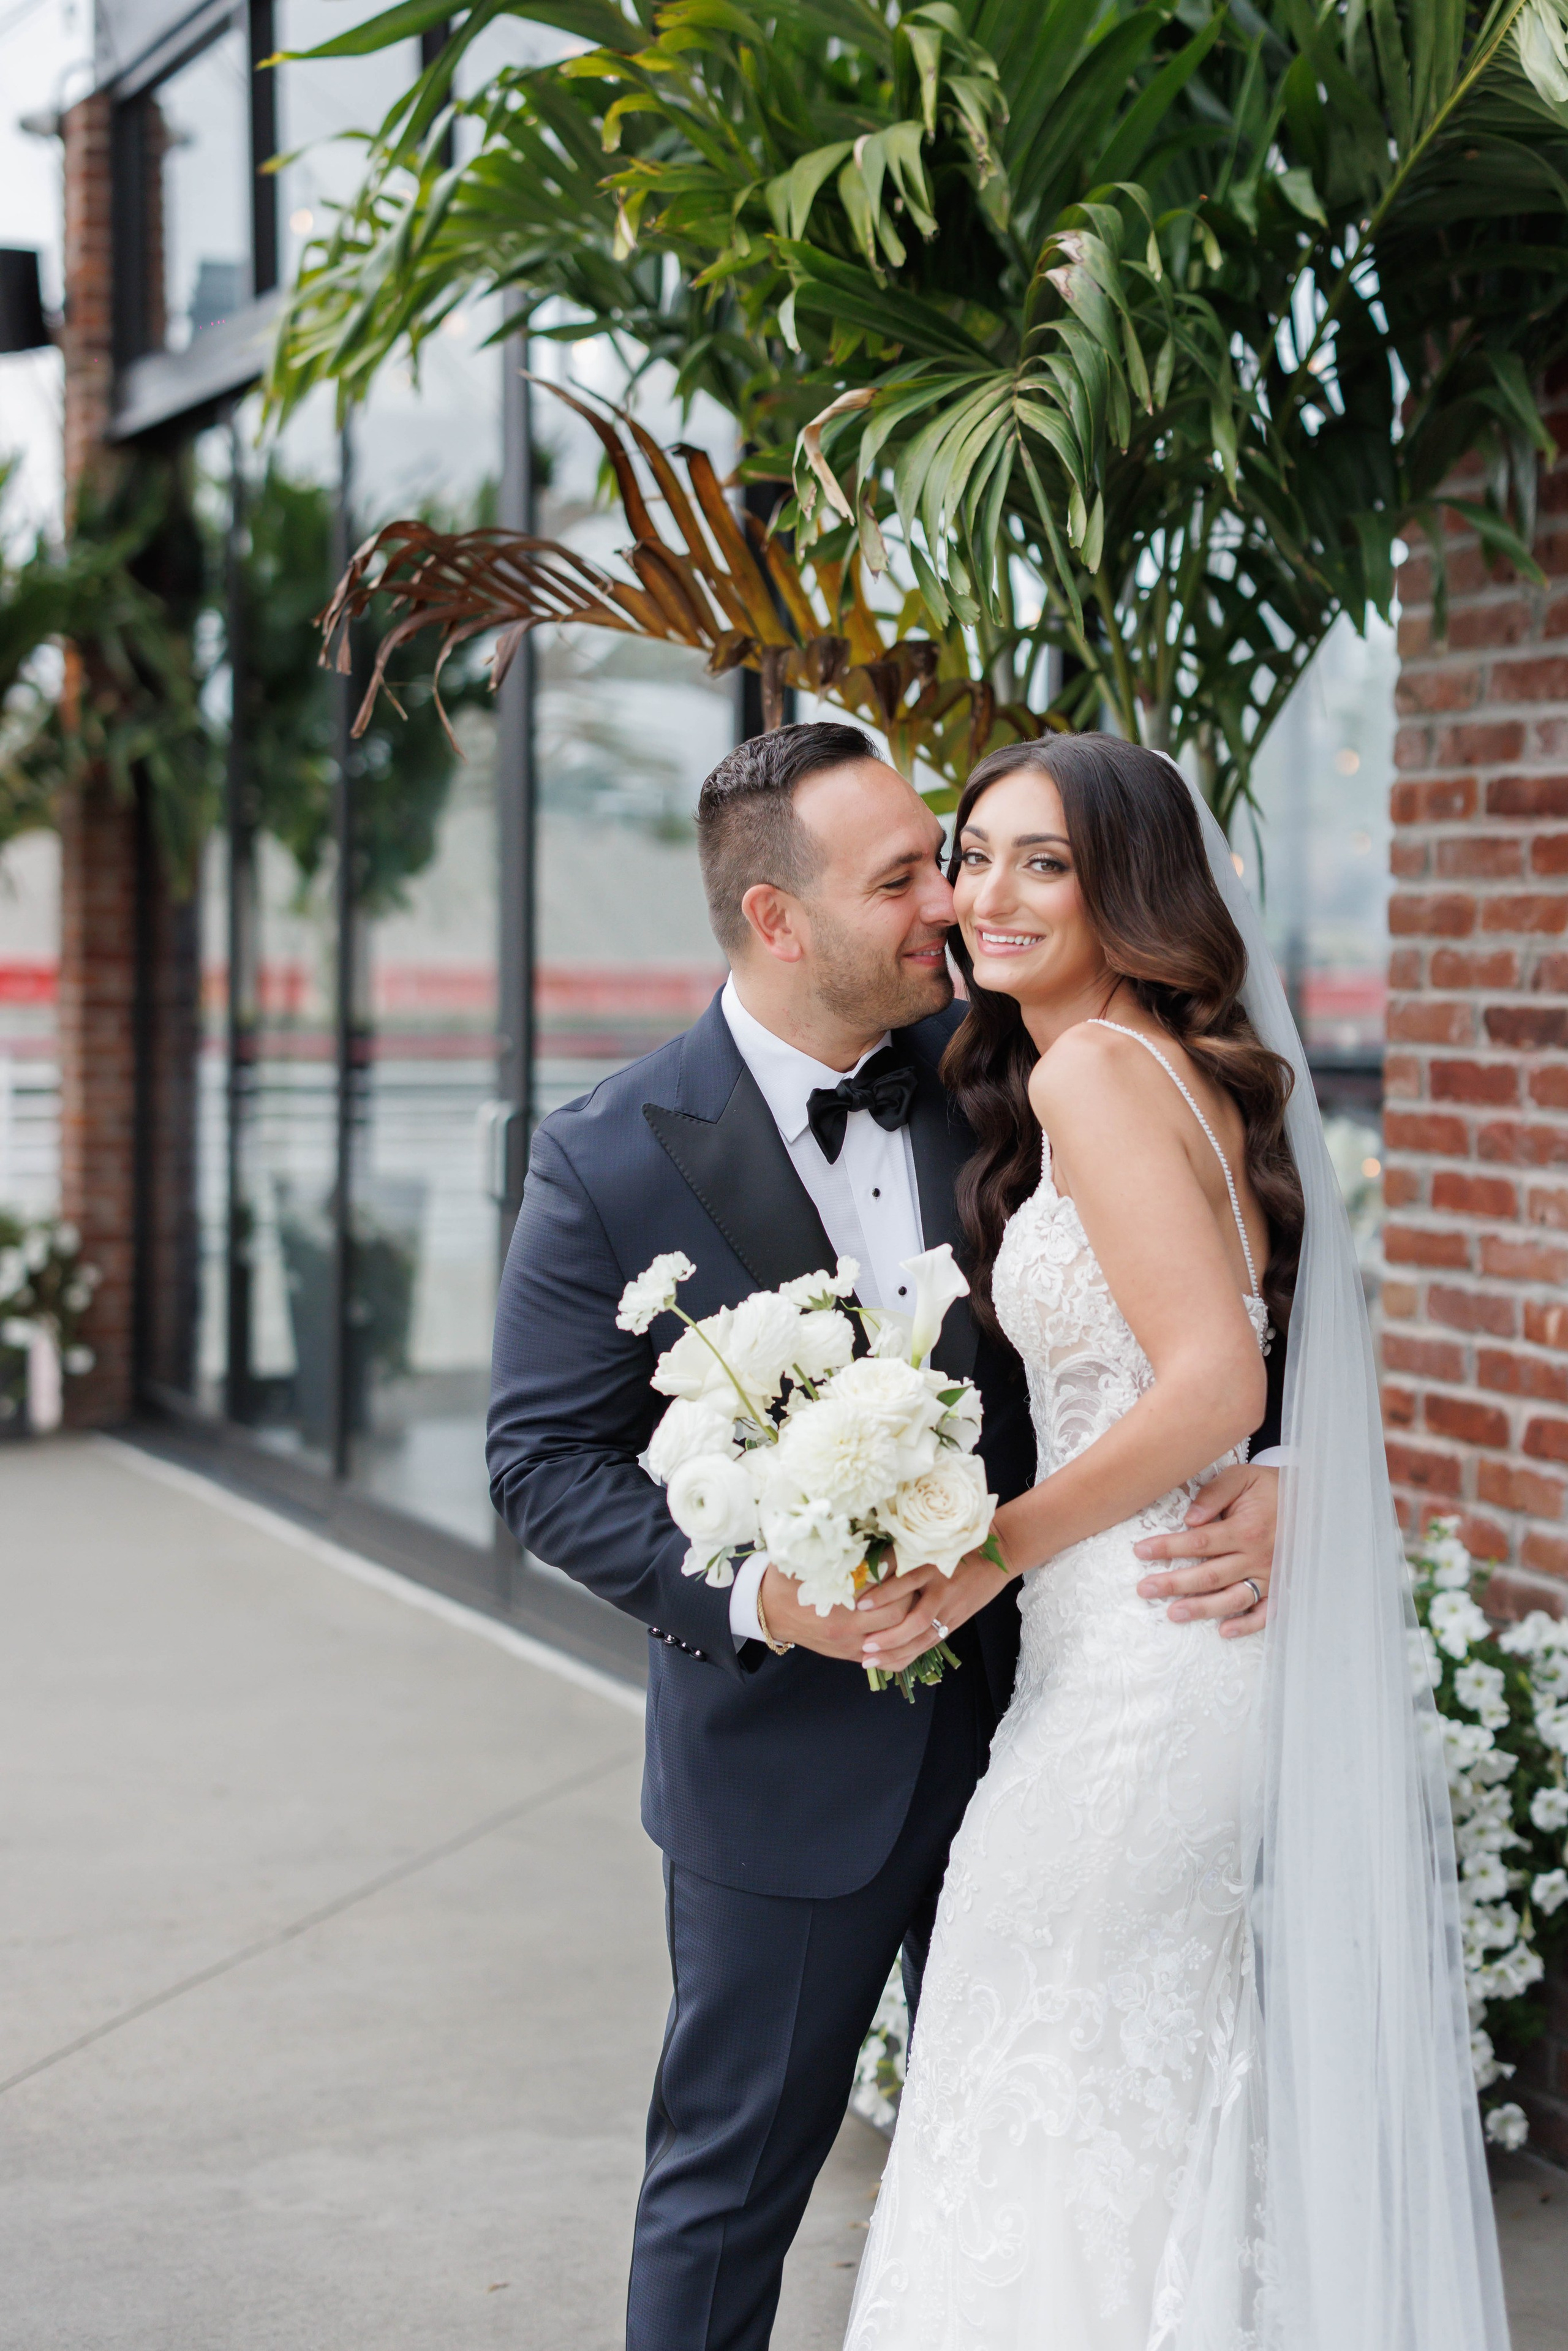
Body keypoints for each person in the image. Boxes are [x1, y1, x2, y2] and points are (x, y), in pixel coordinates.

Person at [486, 722, 1282, 2351]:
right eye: (910, 874)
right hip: (785, 1771)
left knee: (1045, 2152)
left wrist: (1277, 1461)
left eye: (964, 857)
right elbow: (540, 1461)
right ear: (782, 924)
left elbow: (1224, 1273)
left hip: (1059, 1717)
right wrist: (773, 1596)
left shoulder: (1002, 1074)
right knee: (728, 2192)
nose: (949, 904)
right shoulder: (603, 1154)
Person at [843, 735, 1509, 2351]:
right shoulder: (1149, 1067)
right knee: (1123, 2080)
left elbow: (1217, 1378)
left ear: (1124, 889)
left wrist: (992, 1548)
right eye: (972, 853)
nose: (986, 895)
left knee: (1049, 2063)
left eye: (1040, 863)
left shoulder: (1092, 1072)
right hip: (1152, 1641)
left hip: (1143, 1650)